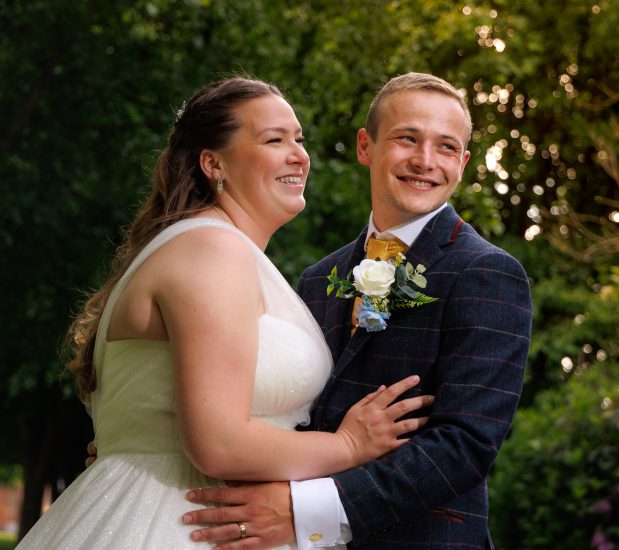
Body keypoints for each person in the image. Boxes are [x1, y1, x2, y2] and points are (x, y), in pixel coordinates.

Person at [16, 76, 432, 550]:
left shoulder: (213, 248)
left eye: (298, 139)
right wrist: (348, 446)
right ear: (213, 163)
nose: (299, 155)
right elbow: (217, 443)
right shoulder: (211, 248)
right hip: (179, 520)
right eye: (274, 140)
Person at [183, 72, 533, 549]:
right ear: (365, 146)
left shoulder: (488, 272)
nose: (426, 161)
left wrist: (303, 510)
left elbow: (464, 446)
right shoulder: (315, 280)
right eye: (407, 138)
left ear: (464, 162)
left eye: (447, 148)